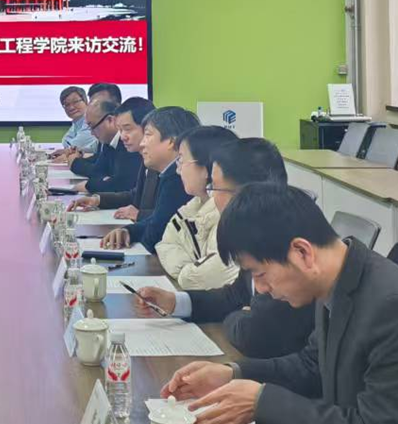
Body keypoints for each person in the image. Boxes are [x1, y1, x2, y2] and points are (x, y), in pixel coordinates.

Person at [162, 184, 398, 424]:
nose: (260, 289)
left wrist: (261, 403)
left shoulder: (393, 307)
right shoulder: (341, 280)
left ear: (302, 252)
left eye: (260, 274)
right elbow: (311, 365)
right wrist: (233, 374)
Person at [130, 138, 314, 358]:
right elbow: (235, 296)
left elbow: (255, 334)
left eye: (215, 187)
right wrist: (175, 302)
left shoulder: (281, 240)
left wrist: (238, 317)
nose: (211, 196)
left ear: (245, 191)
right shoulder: (253, 229)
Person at [100, 106, 199, 252]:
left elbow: (155, 237)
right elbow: (157, 221)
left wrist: (135, 228)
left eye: (147, 135)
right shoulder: (167, 171)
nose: (142, 143)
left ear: (171, 141)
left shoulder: (178, 179)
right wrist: (129, 231)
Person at [154, 127, 240, 289]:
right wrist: (189, 268)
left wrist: (186, 272)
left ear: (207, 168)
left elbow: (202, 278)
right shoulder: (193, 207)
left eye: (181, 160)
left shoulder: (230, 216)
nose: (178, 170)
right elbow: (165, 244)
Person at [70, 97, 156, 217]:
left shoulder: (163, 165)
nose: (123, 136)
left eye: (127, 129)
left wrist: (140, 215)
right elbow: (135, 195)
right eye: (121, 130)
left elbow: (167, 215)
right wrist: (97, 200)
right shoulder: (146, 158)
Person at [52, 86, 98, 158]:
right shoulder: (76, 123)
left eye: (75, 102)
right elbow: (66, 142)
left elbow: (75, 146)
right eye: (67, 104)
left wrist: (69, 149)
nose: (71, 107)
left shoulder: (93, 120)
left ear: (86, 101)